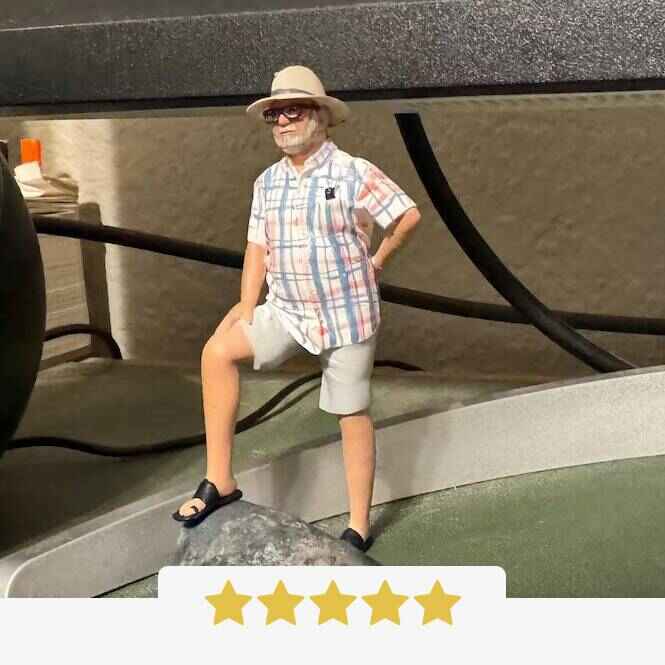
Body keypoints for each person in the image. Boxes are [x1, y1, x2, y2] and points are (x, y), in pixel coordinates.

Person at [173, 65, 421, 552]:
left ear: (320, 116)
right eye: (275, 115)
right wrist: (247, 303)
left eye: (293, 111)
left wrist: (376, 262)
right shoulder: (267, 182)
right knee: (217, 352)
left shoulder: (352, 172)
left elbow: (407, 215)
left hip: (346, 313)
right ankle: (219, 479)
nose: (283, 122)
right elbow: (257, 247)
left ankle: (357, 525)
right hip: (287, 309)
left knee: (351, 409)